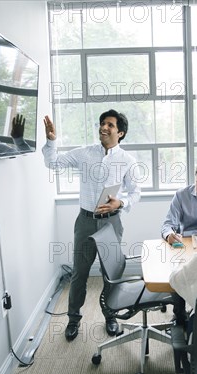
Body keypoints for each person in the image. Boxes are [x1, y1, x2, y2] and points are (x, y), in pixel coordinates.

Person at [43, 110, 141, 342]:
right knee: (79, 274)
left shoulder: (127, 161)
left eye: (109, 124)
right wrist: (51, 140)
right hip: (86, 221)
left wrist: (121, 202)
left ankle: (111, 316)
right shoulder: (84, 153)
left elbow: (136, 192)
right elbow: (53, 163)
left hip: (111, 223)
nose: (103, 128)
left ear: (120, 132)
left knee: (111, 273)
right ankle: (73, 319)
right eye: (101, 123)